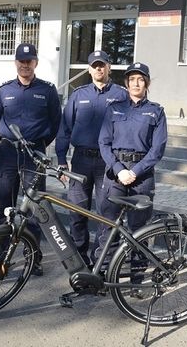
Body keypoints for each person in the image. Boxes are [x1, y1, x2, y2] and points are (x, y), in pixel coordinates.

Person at [0, 43, 61, 276]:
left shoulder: (48, 90)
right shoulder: (4, 90)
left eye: (29, 61)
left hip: (35, 155)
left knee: (34, 208)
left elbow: (55, 122)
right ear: (16, 63)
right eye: (21, 61)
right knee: (5, 206)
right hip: (9, 153)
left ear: (36, 63)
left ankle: (34, 257)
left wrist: (39, 143)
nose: (25, 65)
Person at [55, 50, 128, 267]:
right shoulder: (79, 95)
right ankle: (79, 259)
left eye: (102, 65)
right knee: (77, 211)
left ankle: (102, 263)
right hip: (80, 161)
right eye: (94, 65)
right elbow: (65, 128)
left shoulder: (121, 95)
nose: (98, 68)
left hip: (109, 163)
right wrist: (61, 157)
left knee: (107, 214)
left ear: (109, 67)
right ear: (89, 69)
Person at [95, 62, 167, 272]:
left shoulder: (156, 112)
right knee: (108, 226)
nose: (136, 83)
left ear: (147, 83)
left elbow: (157, 149)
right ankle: (104, 273)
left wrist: (134, 172)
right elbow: (104, 143)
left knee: (140, 230)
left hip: (142, 175)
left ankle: (136, 278)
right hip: (116, 172)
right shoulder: (114, 108)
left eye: (141, 79)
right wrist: (119, 170)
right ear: (126, 83)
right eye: (132, 79)